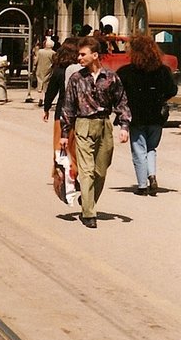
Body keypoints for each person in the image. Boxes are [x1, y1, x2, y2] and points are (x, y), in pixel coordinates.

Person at [60, 36, 131, 229]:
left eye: (83, 54)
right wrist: (65, 133)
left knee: (101, 169)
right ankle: (89, 213)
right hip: (83, 124)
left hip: (104, 125)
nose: (79, 57)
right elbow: (68, 107)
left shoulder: (111, 77)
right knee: (87, 171)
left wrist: (124, 126)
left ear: (95, 55)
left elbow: (121, 102)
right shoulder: (76, 78)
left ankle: (87, 198)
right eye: (79, 54)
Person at [117, 35, 177, 196]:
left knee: (138, 149)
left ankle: (142, 185)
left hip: (135, 116)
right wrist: (159, 97)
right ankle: (152, 174)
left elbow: (117, 93)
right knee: (151, 148)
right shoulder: (163, 70)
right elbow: (172, 90)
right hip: (157, 116)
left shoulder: (126, 72)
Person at [43, 38, 81, 189]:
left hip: (61, 113)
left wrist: (46, 108)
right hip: (78, 114)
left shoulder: (59, 71)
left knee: (59, 145)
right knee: (75, 146)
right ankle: (76, 173)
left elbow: (51, 91)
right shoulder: (80, 71)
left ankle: (60, 174)